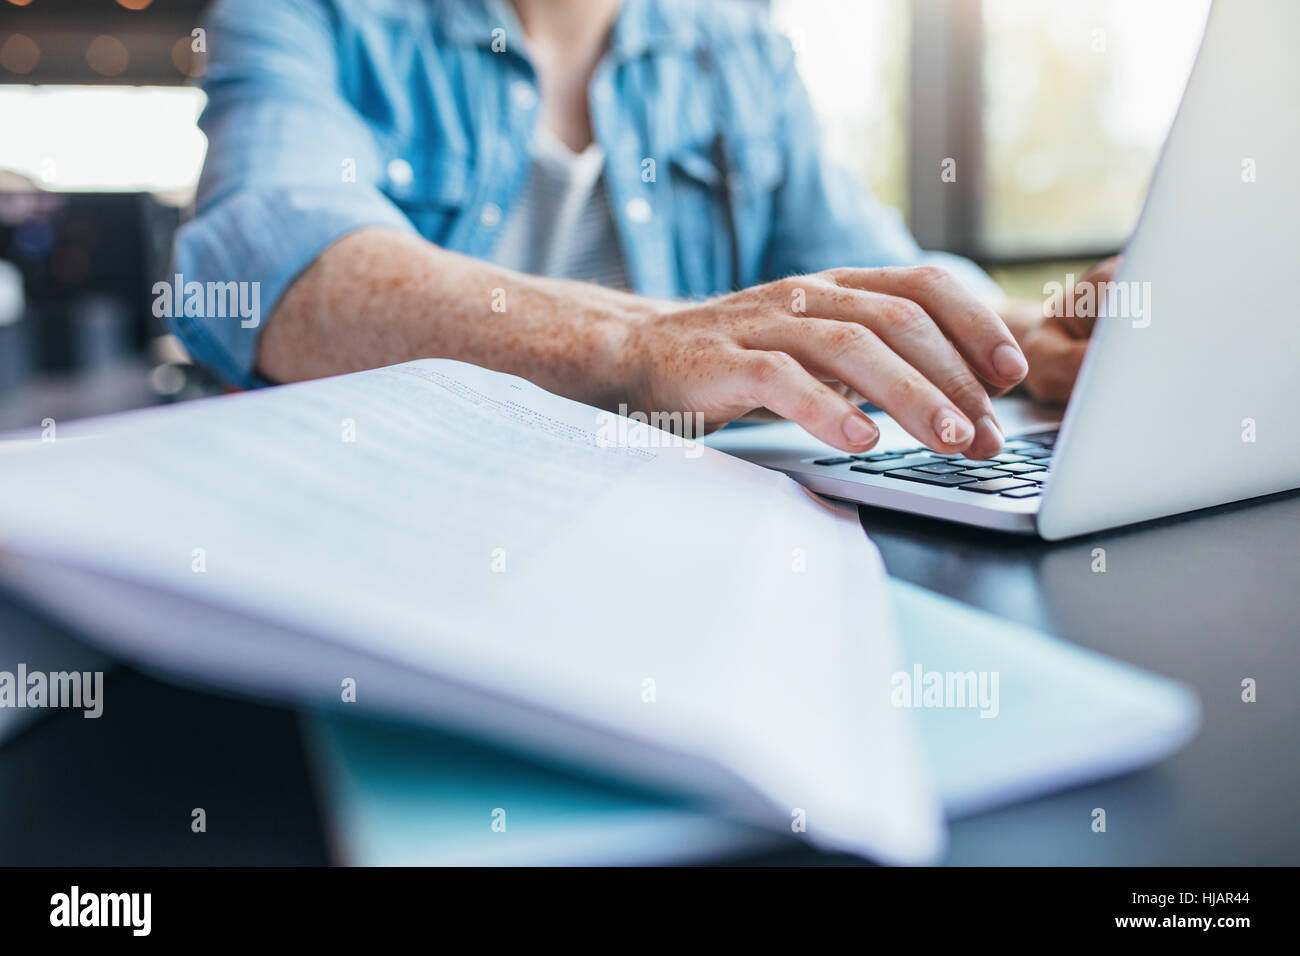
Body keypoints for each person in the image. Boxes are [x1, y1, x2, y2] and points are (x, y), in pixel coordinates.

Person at [173, 0, 1110, 460]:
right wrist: (638, 342)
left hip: (687, 544)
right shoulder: (311, 16)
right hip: (394, 541)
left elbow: (873, 269)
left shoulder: (732, 45)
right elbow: (265, 264)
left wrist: (1018, 336)